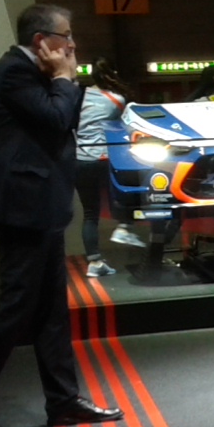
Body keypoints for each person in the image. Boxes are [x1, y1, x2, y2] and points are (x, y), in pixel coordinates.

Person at [0, 5, 124, 427]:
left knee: (51, 312)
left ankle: (62, 400)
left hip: (41, 207)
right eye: (67, 36)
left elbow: (64, 123)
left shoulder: (32, 73)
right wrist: (64, 78)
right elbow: (58, 118)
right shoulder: (13, 73)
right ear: (42, 40)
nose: (73, 44)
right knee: (15, 308)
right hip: (23, 209)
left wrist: (65, 80)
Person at [75, 59, 133, 278]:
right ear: (112, 73)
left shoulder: (79, 96)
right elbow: (123, 126)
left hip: (80, 159)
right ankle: (124, 227)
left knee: (90, 213)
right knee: (125, 193)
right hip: (102, 157)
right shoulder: (117, 100)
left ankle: (94, 262)